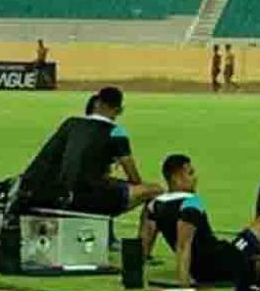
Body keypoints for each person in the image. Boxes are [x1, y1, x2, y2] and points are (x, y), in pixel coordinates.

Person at [141, 154, 260, 288]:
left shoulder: (154, 205)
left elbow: (144, 245)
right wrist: (184, 284)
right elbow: (184, 245)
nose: (195, 178)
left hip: (214, 261)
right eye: (190, 173)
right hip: (222, 261)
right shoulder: (191, 202)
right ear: (176, 177)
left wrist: (135, 274)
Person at [19, 87, 162, 216]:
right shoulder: (116, 132)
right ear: (119, 110)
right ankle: (142, 243)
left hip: (54, 193)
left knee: (110, 184)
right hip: (89, 197)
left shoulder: (70, 124)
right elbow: (133, 176)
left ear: (95, 103)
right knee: (155, 190)